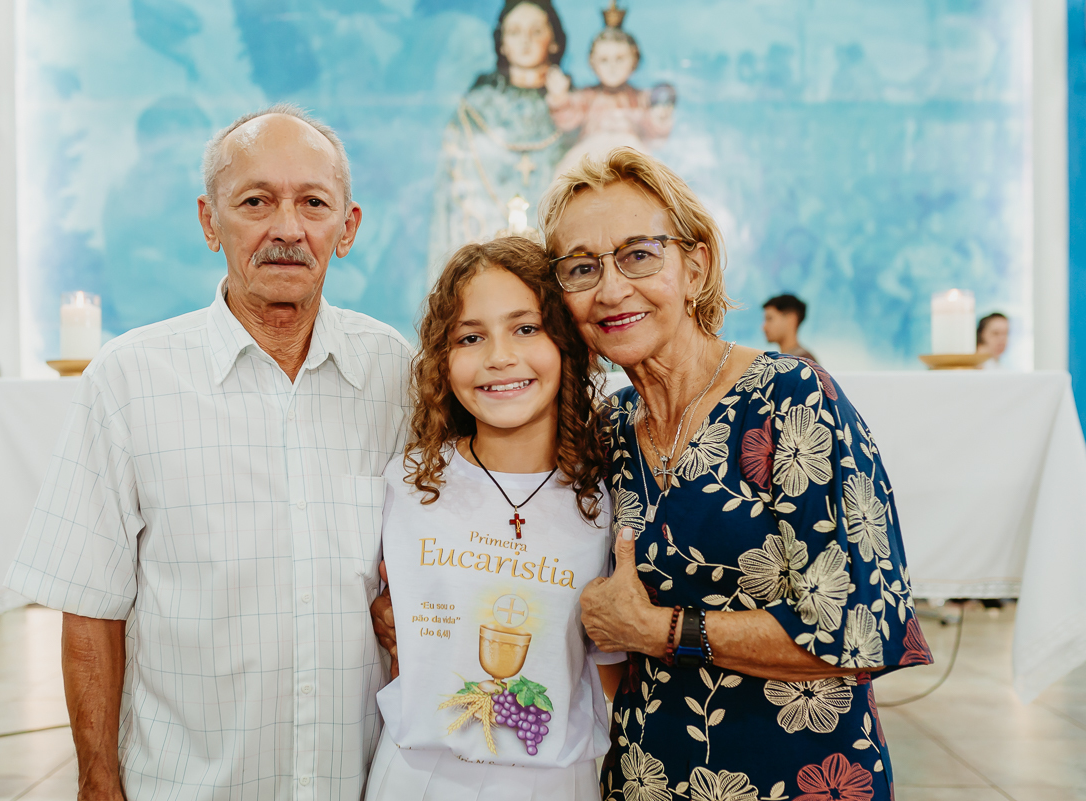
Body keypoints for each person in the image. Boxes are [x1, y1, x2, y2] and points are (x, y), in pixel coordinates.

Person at [5, 105, 412, 801]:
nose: (287, 228)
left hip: (357, 778)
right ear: (208, 220)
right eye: (255, 201)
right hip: (188, 781)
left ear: (347, 228)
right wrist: (98, 781)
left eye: (313, 203)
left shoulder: (396, 374)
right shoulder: (130, 379)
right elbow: (89, 608)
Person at [541, 148, 932, 799]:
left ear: (694, 267)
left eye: (639, 254)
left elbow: (865, 629)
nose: (610, 288)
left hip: (797, 777)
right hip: (647, 777)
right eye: (582, 268)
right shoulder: (606, 428)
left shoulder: (792, 401)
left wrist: (661, 631)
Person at [364, 237, 625, 800]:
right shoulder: (407, 482)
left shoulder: (604, 499)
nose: (499, 356)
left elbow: (614, 673)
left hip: (556, 780)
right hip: (418, 775)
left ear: (566, 346)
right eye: (471, 337)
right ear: (443, 360)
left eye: (526, 328)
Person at [427, 0, 573, 282]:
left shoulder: (573, 109)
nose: (525, 42)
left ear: (554, 40)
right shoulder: (476, 109)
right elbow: (455, 194)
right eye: (515, 32)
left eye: (536, 31)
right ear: (502, 43)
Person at [545, 6, 674, 175]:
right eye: (604, 60)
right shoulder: (587, 96)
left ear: (634, 61)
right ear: (592, 63)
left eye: (620, 59)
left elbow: (654, 135)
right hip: (590, 155)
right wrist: (559, 97)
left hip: (632, 156)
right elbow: (568, 121)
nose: (612, 67)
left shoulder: (641, 98)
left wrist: (660, 116)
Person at [762, 293, 818, 362]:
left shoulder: (804, 363)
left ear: (791, 319)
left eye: (769, 318)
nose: (764, 327)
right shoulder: (787, 360)